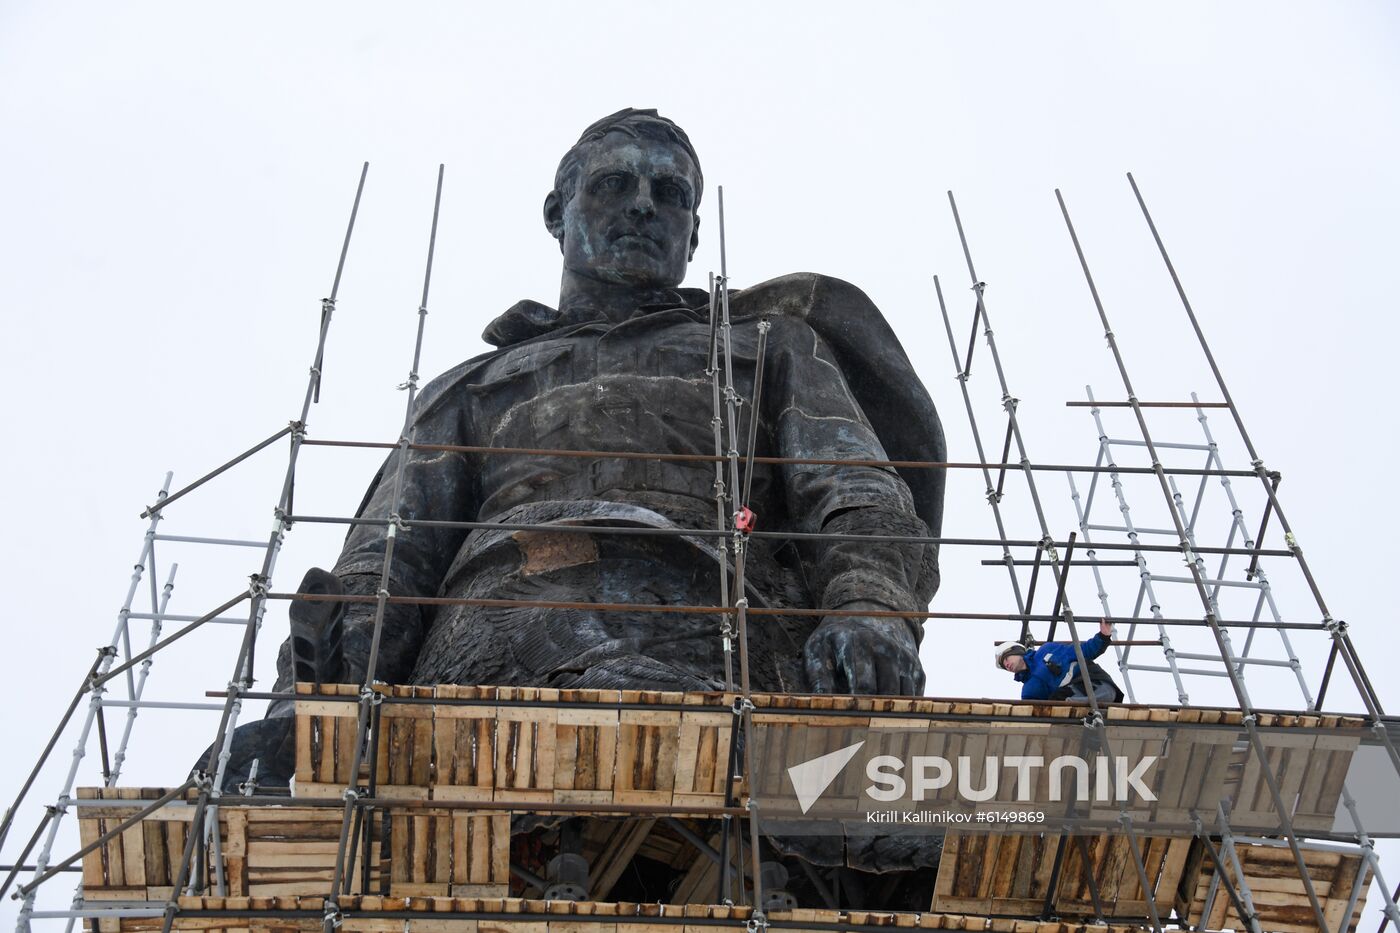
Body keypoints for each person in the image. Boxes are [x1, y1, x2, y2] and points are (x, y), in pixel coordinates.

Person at [219, 109, 946, 786]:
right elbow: (388, 559)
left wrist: (869, 608)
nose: (642, 205)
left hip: (722, 633)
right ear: (556, 215)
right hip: (500, 647)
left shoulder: (770, 349)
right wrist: (305, 717)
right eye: (612, 184)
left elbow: (855, 493)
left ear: (694, 234)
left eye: (669, 193)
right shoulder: (471, 386)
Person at [995, 619, 1124, 703]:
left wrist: (1102, 637)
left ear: (1016, 650)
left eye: (1006, 658)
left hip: (1090, 682)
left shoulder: (1046, 650)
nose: (1006, 665)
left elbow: (1082, 651)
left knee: (1104, 694)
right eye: (1004, 666)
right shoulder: (1029, 691)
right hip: (1069, 699)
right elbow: (1031, 712)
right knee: (1063, 705)